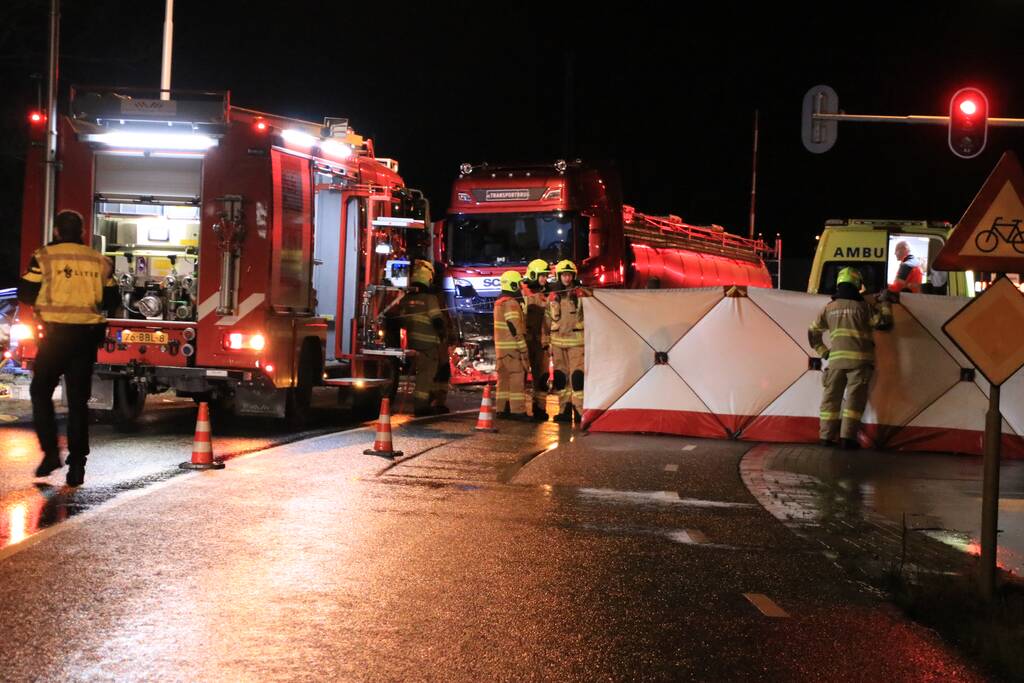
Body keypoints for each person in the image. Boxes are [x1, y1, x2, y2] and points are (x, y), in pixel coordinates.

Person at [18, 210, 117, 487]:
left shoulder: (45, 256)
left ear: (57, 231)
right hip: (85, 339)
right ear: (83, 231)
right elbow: (112, 299)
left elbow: (25, 293)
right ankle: (77, 466)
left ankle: (51, 454)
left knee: (40, 391)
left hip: (55, 337)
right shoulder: (99, 261)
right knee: (77, 403)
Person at [808, 267, 892, 450]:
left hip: (836, 363)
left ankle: (826, 438)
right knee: (854, 402)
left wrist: (823, 351)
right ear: (857, 284)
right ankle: (847, 439)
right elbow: (884, 324)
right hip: (860, 363)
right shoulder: (863, 307)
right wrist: (884, 303)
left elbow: (813, 332)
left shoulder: (829, 308)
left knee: (830, 400)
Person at [391, 260, 448, 417]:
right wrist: (443, 334)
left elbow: (401, 320)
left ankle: (426, 402)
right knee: (426, 375)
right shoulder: (430, 299)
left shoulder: (406, 300)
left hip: (413, 343)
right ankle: (421, 406)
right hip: (429, 344)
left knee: (422, 373)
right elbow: (437, 320)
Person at [548, 259, 587, 424]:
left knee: (577, 379)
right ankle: (563, 410)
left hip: (576, 343)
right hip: (557, 344)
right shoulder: (553, 296)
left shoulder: (581, 294)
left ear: (574, 276)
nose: (567, 278)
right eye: (564, 275)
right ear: (559, 276)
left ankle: (579, 412)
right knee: (560, 378)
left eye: (569, 275)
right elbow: (547, 320)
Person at [493, 270, 530, 419]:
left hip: (501, 349)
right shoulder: (511, 303)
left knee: (503, 380)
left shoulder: (499, 302)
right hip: (512, 348)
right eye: (519, 283)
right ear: (513, 284)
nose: (520, 287)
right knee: (516, 378)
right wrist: (523, 347)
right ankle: (517, 410)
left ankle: (502, 409)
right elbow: (515, 327)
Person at [521, 259, 552, 421]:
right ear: (533, 274)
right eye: (542, 276)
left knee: (541, 377)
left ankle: (540, 409)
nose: (544, 279)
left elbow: (549, 321)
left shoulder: (546, 294)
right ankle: (516, 409)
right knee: (519, 376)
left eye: (546, 276)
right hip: (526, 341)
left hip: (541, 343)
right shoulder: (522, 291)